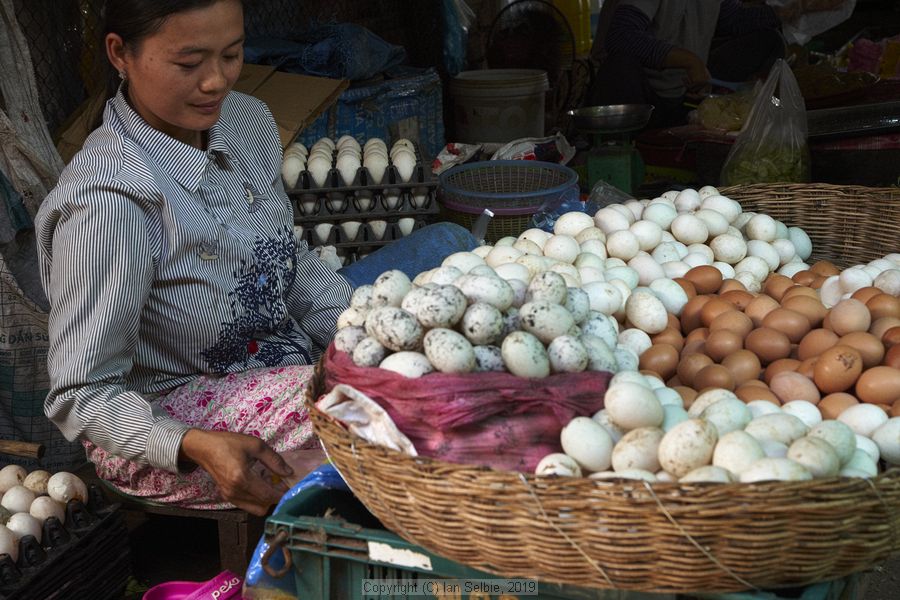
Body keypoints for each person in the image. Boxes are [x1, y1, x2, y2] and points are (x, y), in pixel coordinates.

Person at [35, 0, 475, 516]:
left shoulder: (247, 124)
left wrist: (363, 332)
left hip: (278, 364)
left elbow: (288, 261)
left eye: (232, 54)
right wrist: (193, 444)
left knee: (438, 328)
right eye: (189, 62)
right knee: (406, 411)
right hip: (169, 422)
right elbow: (82, 393)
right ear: (120, 54)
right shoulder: (108, 202)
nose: (216, 81)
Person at [587, 0, 848, 128]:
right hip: (637, 98)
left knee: (769, 39)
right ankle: (625, 144)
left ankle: (733, 112)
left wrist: (795, 9)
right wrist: (688, 60)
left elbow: (731, 19)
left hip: (685, 90)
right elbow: (621, 36)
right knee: (620, 65)